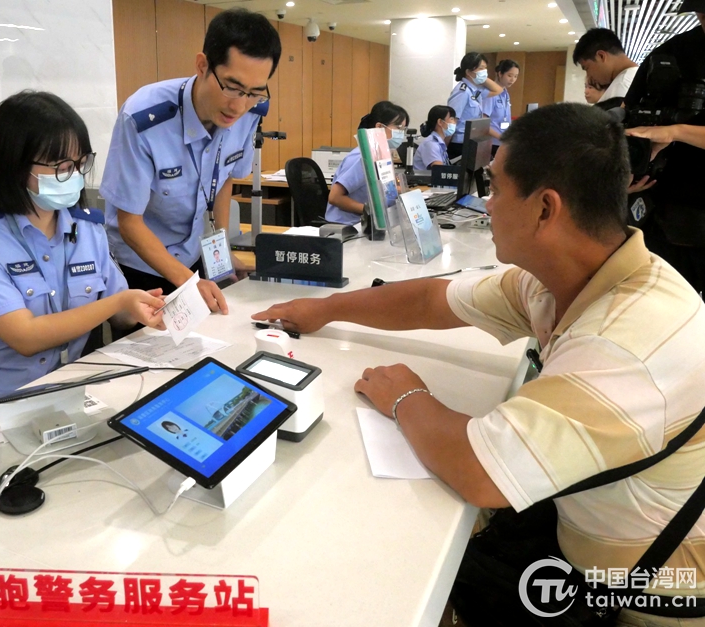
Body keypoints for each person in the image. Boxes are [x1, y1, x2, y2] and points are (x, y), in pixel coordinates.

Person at [253, 103, 705, 624]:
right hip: (589, 532)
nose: (486, 204)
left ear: (545, 209)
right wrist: (326, 309)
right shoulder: (572, 276)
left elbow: (480, 472)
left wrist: (406, 397)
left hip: (651, 593)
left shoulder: (624, 345)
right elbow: (431, 301)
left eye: (495, 187)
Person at [0, 91, 166, 411]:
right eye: (61, 166)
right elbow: (26, 337)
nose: (75, 176)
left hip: (64, 394)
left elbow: (119, 313)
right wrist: (119, 301)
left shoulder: (87, 228)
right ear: (16, 166)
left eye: (81, 163)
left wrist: (143, 306)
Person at [100, 8, 282, 315]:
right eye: (232, 87)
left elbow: (224, 180)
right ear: (202, 65)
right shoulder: (144, 118)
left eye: (253, 92)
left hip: (193, 259)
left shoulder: (251, 112)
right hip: (141, 267)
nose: (239, 106)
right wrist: (187, 282)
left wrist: (222, 253)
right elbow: (129, 223)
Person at [623, 2, 705, 296]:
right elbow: (630, 115)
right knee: (662, 306)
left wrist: (676, 132)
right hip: (667, 217)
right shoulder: (671, 53)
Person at [324, 101, 410, 225]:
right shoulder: (361, 157)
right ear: (379, 127)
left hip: (371, 223)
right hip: (349, 226)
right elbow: (335, 197)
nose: (401, 134)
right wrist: (372, 212)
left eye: (404, 129)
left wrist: (402, 191)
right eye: (399, 128)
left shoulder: (381, 154)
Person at [446, 52, 504, 160]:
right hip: (459, 144)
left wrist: (483, 78)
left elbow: (498, 90)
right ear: (469, 72)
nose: (484, 71)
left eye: (485, 68)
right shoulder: (462, 91)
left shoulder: (475, 90)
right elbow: (451, 121)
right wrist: (444, 148)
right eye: (481, 68)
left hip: (471, 142)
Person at [573, 28, 638, 102]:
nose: (589, 76)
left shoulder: (621, 86)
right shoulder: (637, 77)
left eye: (587, 68)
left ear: (601, 56)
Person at [482, 59, 520, 157]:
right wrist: (502, 138)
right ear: (500, 74)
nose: (512, 80)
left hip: (502, 141)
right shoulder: (491, 94)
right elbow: (483, 123)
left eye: (515, 76)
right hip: (492, 143)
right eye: (509, 75)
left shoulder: (505, 93)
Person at [413, 105, 456, 170]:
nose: (454, 122)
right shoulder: (431, 144)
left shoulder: (438, 142)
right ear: (440, 122)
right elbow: (439, 171)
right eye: (452, 119)